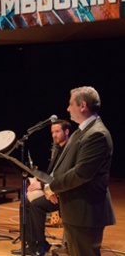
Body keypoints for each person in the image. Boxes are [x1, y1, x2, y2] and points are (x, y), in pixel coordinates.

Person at [43, 86, 115, 256]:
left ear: (82, 106)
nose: (67, 108)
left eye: (70, 104)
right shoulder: (81, 131)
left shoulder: (96, 134)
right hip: (75, 210)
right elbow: (65, 164)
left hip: (86, 212)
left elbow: (81, 173)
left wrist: (52, 186)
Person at [12, 119, 70, 255]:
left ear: (66, 132)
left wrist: (45, 186)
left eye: (57, 131)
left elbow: (65, 177)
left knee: (36, 205)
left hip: (64, 193)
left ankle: (41, 245)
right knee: (24, 204)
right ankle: (30, 244)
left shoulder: (69, 151)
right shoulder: (57, 149)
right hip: (52, 189)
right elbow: (51, 174)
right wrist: (36, 179)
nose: (54, 135)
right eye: (52, 132)